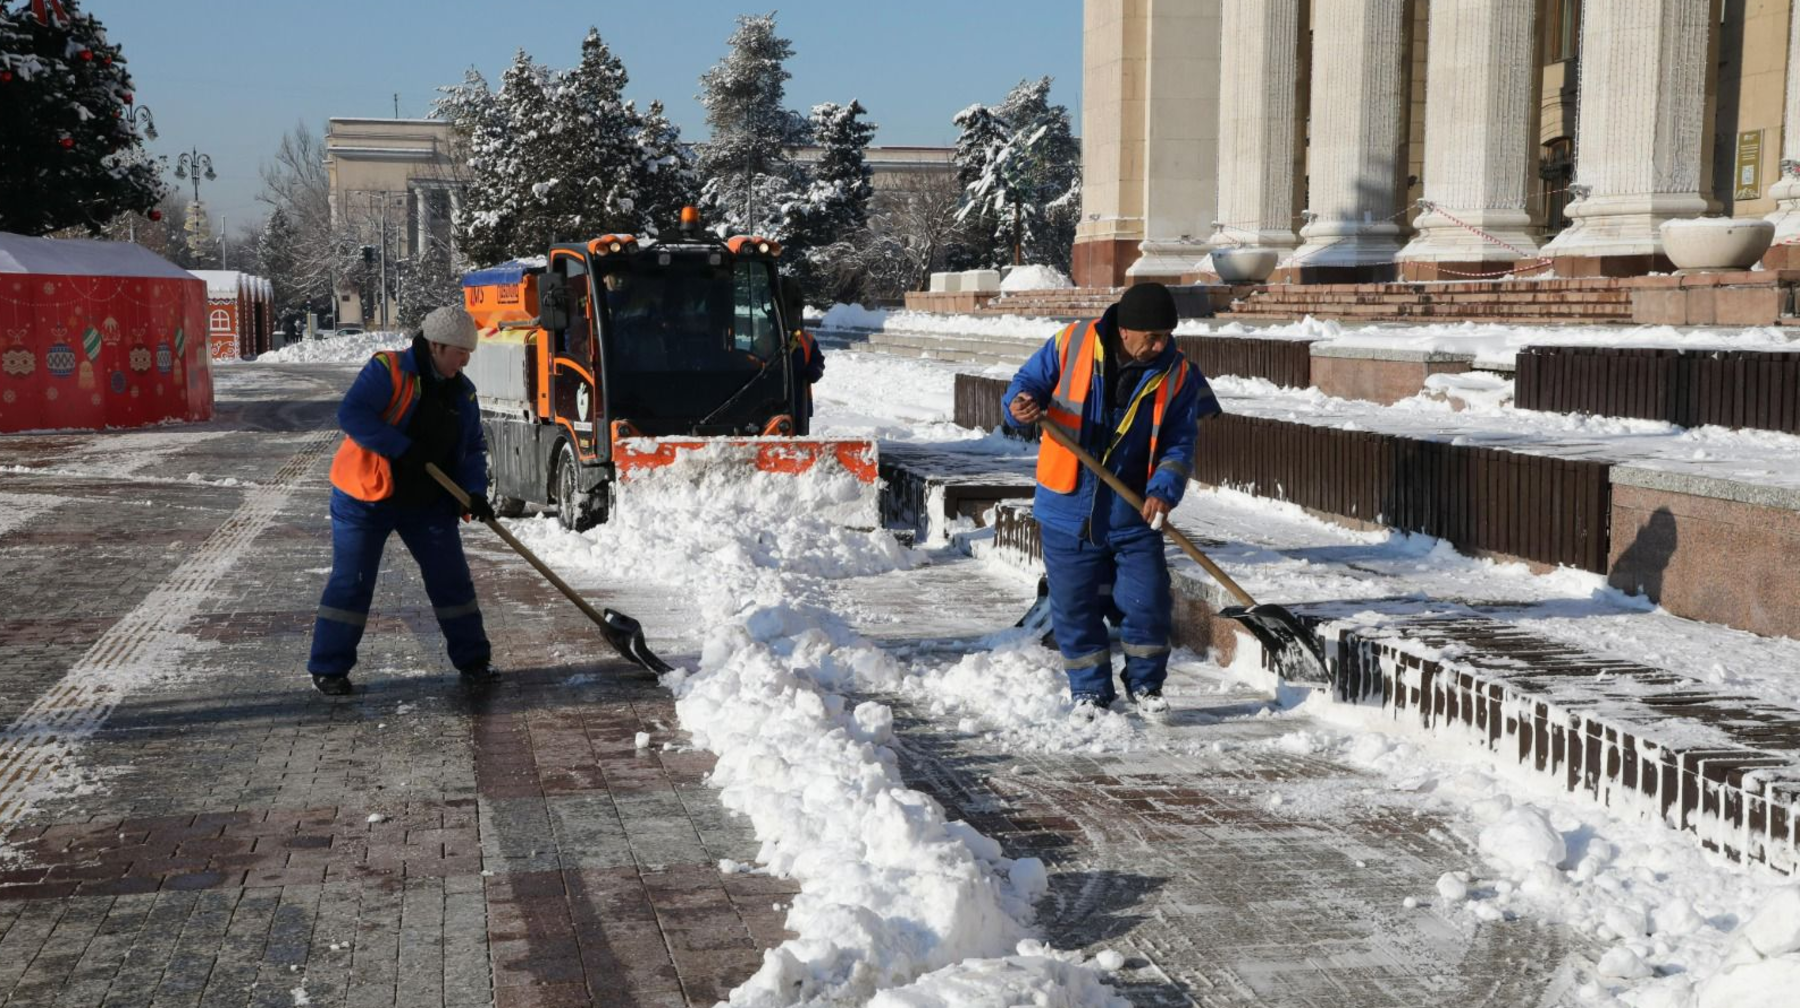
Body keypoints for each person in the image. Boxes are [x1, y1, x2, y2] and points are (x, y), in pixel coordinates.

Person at [1002, 282, 1219, 721]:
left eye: (1165, 335)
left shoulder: (1177, 373)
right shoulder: (1072, 342)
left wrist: (1164, 491)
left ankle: (1146, 685)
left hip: (1134, 508)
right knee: (1074, 605)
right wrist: (1019, 406)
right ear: (1125, 330)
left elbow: (1179, 442)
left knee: (1148, 600)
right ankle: (1089, 691)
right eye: (1151, 337)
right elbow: (1025, 386)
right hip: (1067, 503)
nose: (1160, 345)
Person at [307, 306, 498, 696]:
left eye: (468, 354)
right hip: (365, 496)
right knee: (353, 581)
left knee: (451, 580)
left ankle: (474, 660)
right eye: (459, 352)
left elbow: (474, 446)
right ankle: (329, 668)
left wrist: (474, 491)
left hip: (427, 501)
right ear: (436, 345)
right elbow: (352, 414)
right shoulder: (388, 369)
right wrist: (402, 449)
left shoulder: (463, 392)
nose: (464, 361)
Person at [782, 278, 824, 434]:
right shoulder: (767, 340)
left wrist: (814, 371)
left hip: (801, 401)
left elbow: (818, 362)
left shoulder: (807, 340)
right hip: (773, 399)